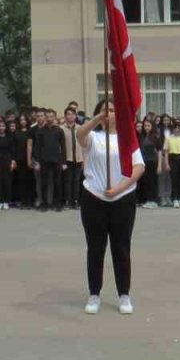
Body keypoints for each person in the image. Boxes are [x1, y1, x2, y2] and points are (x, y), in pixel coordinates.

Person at [76, 99, 146, 315]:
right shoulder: (93, 137)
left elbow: (139, 167)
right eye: (105, 109)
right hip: (93, 197)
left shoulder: (127, 139)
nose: (110, 113)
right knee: (95, 248)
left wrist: (118, 188)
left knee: (121, 248)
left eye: (113, 110)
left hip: (122, 198)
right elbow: (79, 135)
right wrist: (98, 118)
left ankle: (124, 294)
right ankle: (94, 294)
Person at [60, 108, 84, 210]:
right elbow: (59, 146)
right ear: (65, 116)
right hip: (67, 159)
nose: (71, 116)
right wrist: (62, 161)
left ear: (75, 116)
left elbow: (84, 144)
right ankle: (67, 201)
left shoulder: (80, 128)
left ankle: (76, 201)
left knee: (77, 181)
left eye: (73, 114)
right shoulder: (61, 129)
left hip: (79, 158)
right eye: (68, 114)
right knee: (67, 181)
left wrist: (84, 159)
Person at [0, 119, 15, 210]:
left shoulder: (10, 137)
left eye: (3, 126)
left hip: (7, 161)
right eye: (0, 126)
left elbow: (12, 150)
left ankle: (6, 201)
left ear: (6, 127)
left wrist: (13, 161)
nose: (2, 128)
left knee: (7, 181)